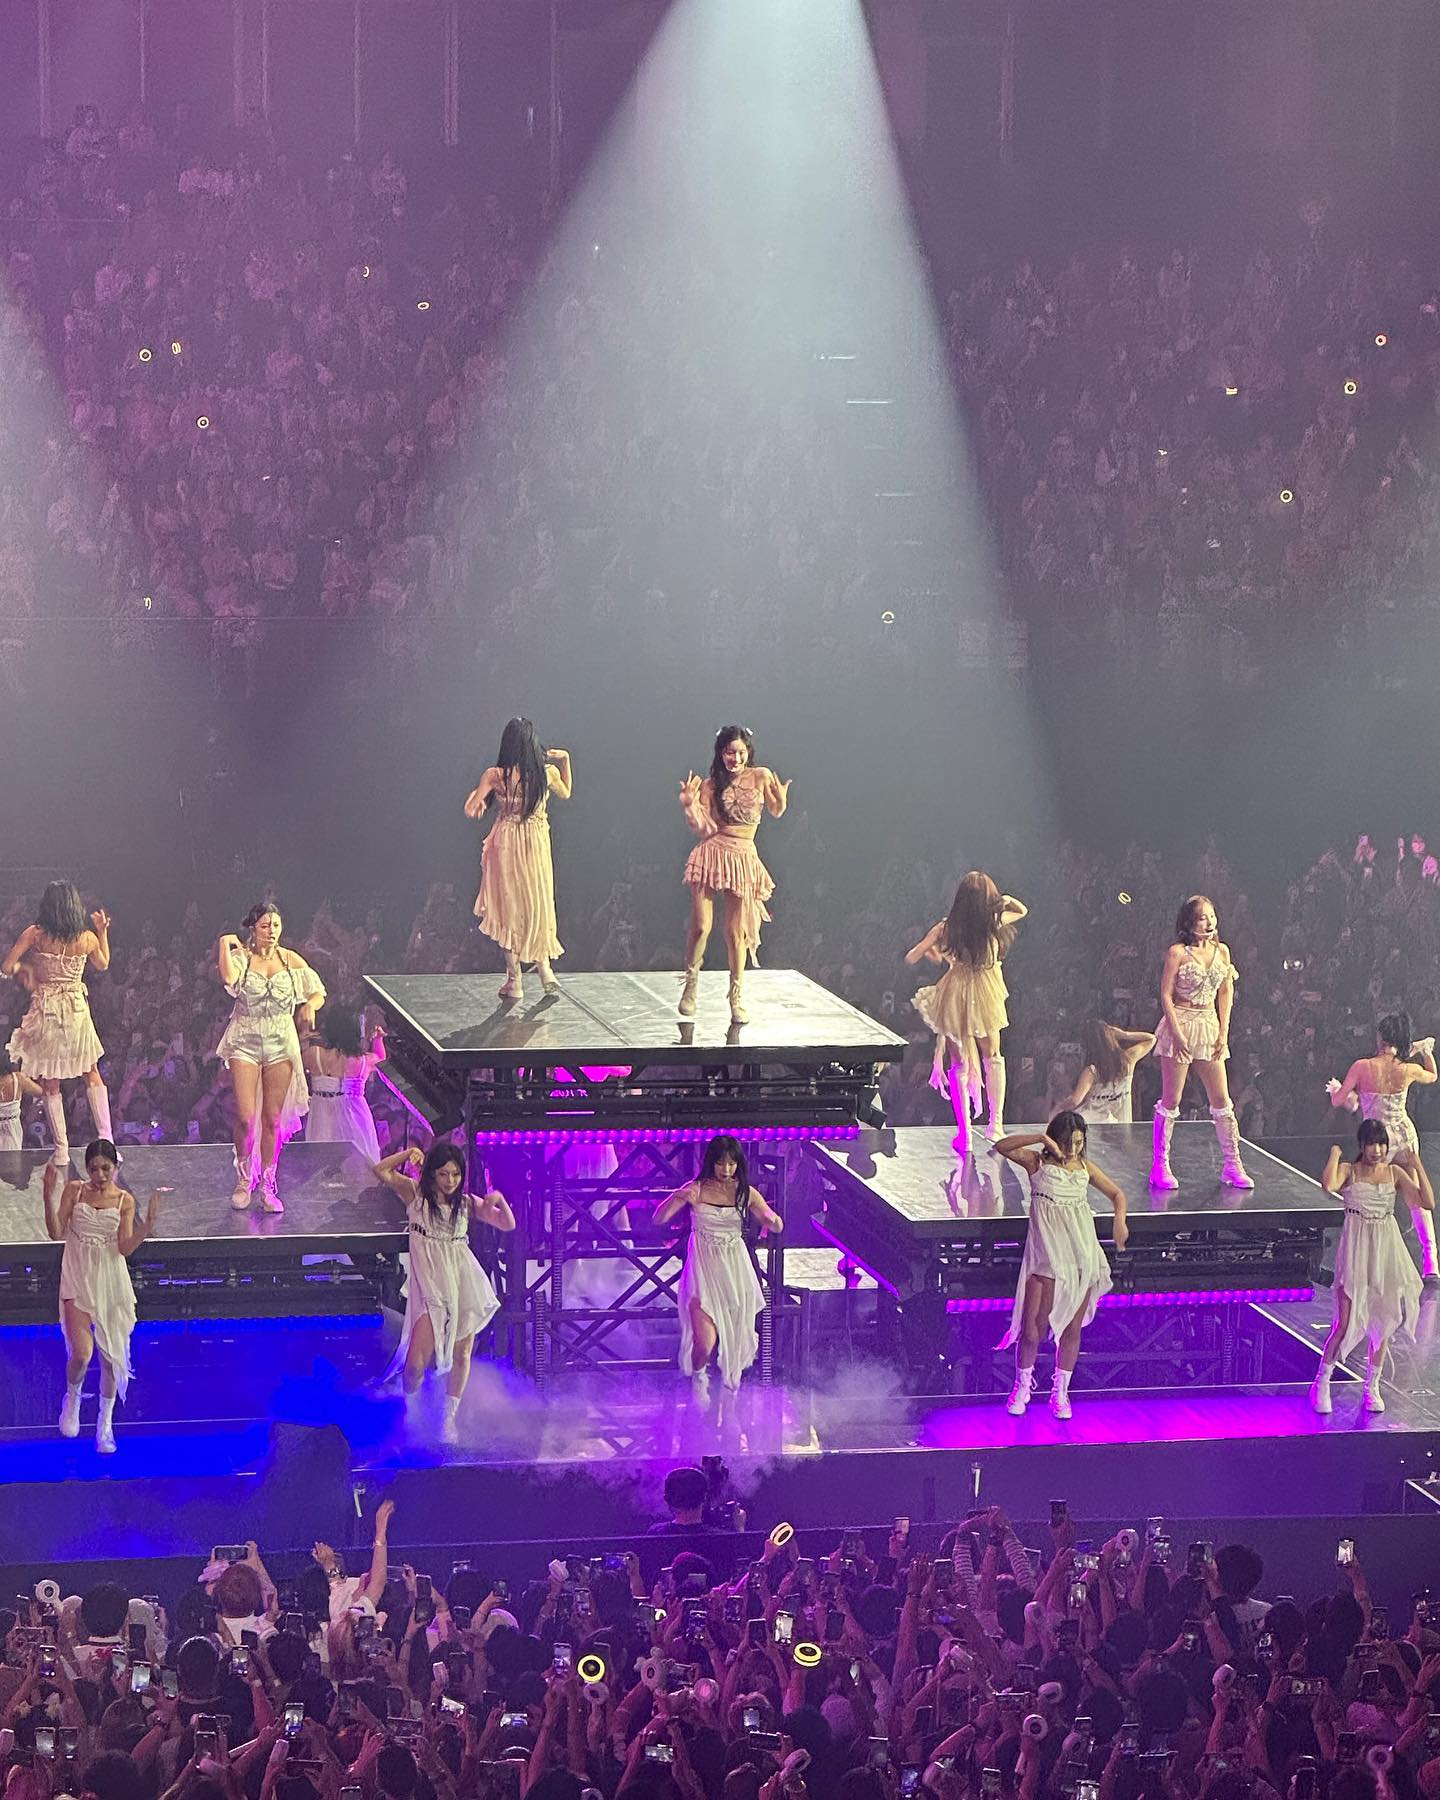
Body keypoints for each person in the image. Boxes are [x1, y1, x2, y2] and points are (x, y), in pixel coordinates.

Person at [372, 1143, 515, 1443]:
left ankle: (448, 1420)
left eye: (456, 1174)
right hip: (430, 1290)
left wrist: (500, 1198)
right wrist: (409, 1152)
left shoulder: (466, 1203)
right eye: (443, 1174)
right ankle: (412, 1414)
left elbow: (507, 1224)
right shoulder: (415, 1195)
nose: (450, 1181)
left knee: (462, 1354)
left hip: (462, 1284)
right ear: (432, 1174)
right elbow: (380, 1170)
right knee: (414, 1365)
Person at [993, 1110, 1128, 1421]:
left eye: (1079, 1143)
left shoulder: (1084, 1168)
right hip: (1045, 1258)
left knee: (1071, 1329)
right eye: (1068, 1142)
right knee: (1031, 1331)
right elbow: (1002, 1146)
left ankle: (1060, 1393)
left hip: (1080, 1258)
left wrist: (1119, 1221)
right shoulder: (1037, 1164)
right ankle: (1022, 1387)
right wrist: (1040, 1137)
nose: (1073, 1149)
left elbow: (1117, 1194)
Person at [42, 1140, 165, 1453]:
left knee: (111, 1359)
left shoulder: (124, 1200)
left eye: (105, 1168)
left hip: (110, 1281)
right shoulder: (74, 1191)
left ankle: (105, 1426)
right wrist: (47, 1193)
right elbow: (56, 1233)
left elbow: (124, 1248)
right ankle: (72, 1399)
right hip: (77, 1275)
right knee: (82, 1354)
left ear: (115, 1167)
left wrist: (148, 1225)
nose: (99, 1175)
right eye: (93, 1168)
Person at [654, 1133, 783, 1404]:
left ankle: (729, 1400)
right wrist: (677, 1196)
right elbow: (659, 1218)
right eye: (721, 1163)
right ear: (711, 1162)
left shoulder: (745, 1192)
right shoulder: (697, 1188)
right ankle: (699, 1378)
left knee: (735, 1337)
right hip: (703, 1268)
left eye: (732, 1164)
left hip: (734, 1269)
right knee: (704, 1342)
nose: (726, 1169)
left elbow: (773, 1221)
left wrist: (771, 1219)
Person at [215, 902, 326, 1214]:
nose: (271, 931)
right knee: (245, 1117)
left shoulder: (290, 960)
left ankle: (268, 1183)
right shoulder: (243, 958)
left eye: (275, 925)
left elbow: (317, 991)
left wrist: (310, 1006)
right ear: (253, 928)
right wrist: (225, 942)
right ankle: (243, 1179)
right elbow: (228, 978)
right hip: (246, 1038)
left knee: (273, 1119)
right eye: (265, 925)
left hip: (280, 1040)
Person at [906, 872, 1027, 1155]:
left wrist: (933, 950)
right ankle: (995, 1124)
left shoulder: (946, 928)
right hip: (985, 991)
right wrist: (1006, 899)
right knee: (992, 1056)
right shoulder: (993, 922)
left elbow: (912, 956)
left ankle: (965, 1133)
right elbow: (1022, 910)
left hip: (956, 992)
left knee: (959, 1063)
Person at [1311, 1122, 1428, 1414]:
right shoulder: (1350, 1170)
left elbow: (1426, 1201)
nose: (1377, 1150)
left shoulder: (1394, 1173)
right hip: (1356, 1250)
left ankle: (1371, 1386)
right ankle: (1321, 1382)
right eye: (1371, 1144)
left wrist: (1417, 1164)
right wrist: (1335, 1154)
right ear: (1362, 1145)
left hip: (1385, 1250)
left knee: (1383, 1321)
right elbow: (1329, 1185)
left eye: (1381, 1144)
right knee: (1345, 1321)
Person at [678, 725, 790, 1025]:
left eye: (740, 752)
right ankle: (691, 984)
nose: (735, 758)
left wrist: (781, 800)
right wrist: (689, 806)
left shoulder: (760, 775)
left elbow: (776, 810)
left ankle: (736, 997)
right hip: (713, 852)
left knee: (735, 932)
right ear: (721, 753)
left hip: (743, 857)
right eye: (730, 752)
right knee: (701, 926)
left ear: (748, 753)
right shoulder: (710, 785)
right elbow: (704, 828)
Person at [2, 881, 114, 1166]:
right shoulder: (86, 938)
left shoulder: (36, 934)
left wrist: (26, 971)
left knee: (51, 1081)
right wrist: (102, 931)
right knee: (91, 1072)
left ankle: (62, 1149)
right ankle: (107, 1141)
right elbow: (103, 964)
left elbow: (6, 966)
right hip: (76, 1008)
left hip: (47, 1008)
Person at [1327, 1011, 1439, 1286]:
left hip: (1377, 1138)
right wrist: (1426, 1052)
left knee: (1370, 1196)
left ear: (1380, 1037)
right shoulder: (1407, 1069)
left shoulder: (1363, 1066)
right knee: (1416, 1198)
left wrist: (1336, 1091)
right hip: (1404, 1136)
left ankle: (1368, 1261)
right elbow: (1433, 1076)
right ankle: (1431, 1263)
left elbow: (1339, 1100)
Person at [464, 718, 572, 1002]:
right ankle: (545, 969)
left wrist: (476, 802)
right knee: (538, 902)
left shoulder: (496, 775)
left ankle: (515, 980)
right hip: (536, 842)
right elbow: (566, 792)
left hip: (506, 843)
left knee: (508, 907)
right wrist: (565, 761)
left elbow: (472, 808)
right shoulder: (546, 773)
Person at [1149, 895, 1252, 1190]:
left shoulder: (1222, 951)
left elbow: (1225, 992)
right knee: (1172, 1099)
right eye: (1202, 917)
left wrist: (1223, 1032)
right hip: (1181, 1021)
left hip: (1208, 1024)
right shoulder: (1177, 953)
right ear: (1189, 922)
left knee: (1221, 1099)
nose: (1209, 922)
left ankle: (1232, 1164)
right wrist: (1177, 1032)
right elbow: (1166, 994)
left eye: (1212, 916)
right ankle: (1160, 1164)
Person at [303, 1006, 384, 1163]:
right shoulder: (363, 1060)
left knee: (322, 1162)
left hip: (322, 1112)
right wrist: (378, 1039)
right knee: (361, 1160)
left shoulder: (315, 1054)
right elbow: (381, 1057)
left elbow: (295, 1063)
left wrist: (303, 1038)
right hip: (355, 1112)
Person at [1067, 1018, 1157, 1124]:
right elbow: (1151, 1039)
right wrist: (1124, 1034)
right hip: (1122, 1126)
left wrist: (1058, 1108)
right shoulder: (1128, 1060)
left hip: (1094, 1127)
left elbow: (1074, 1101)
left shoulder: (1091, 1072)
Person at [0, 1047, 42, 1150]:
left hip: (12, 1127)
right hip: (12, 1128)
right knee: (12, 1158)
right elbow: (42, 1093)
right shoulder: (19, 1078)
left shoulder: (19, 1078)